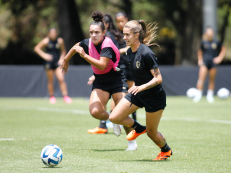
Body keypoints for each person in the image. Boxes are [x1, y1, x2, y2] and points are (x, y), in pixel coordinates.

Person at [109, 20, 173, 161]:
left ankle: (166, 150)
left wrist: (141, 86)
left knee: (151, 133)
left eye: (127, 35)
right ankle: (138, 128)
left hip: (154, 97)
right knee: (114, 117)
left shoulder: (146, 53)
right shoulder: (130, 51)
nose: (124, 38)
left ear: (136, 35)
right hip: (138, 93)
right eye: (124, 35)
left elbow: (158, 78)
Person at [61, 11, 128, 142]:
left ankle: (131, 142)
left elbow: (103, 65)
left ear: (104, 33)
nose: (93, 35)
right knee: (95, 112)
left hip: (116, 79)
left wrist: (85, 56)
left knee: (122, 112)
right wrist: (66, 59)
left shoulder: (107, 44)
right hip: (101, 81)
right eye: (91, 32)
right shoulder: (88, 42)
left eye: (97, 32)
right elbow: (76, 46)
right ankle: (113, 119)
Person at [86, 13, 137, 151]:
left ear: (106, 25)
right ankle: (112, 121)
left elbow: (108, 59)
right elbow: (103, 60)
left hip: (120, 73)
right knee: (110, 110)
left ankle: (131, 141)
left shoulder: (113, 37)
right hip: (106, 76)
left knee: (124, 108)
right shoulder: (99, 38)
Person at [34, 28, 72, 104]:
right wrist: (44, 55)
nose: (53, 34)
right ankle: (52, 96)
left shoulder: (60, 40)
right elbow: (36, 48)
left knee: (61, 79)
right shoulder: (46, 41)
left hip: (57, 63)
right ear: (49, 33)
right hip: (49, 63)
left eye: (54, 32)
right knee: (51, 80)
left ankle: (65, 96)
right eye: (52, 32)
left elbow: (63, 50)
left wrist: (61, 59)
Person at [193, 27, 226, 103]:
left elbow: (223, 49)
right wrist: (200, 60)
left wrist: (219, 58)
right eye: (208, 32)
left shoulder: (216, 42)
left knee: (211, 80)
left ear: (213, 33)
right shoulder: (203, 42)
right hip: (205, 62)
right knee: (201, 79)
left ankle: (210, 95)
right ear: (206, 33)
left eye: (211, 32)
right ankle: (198, 95)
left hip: (213, 63)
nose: (210, 34)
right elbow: (200, 51)